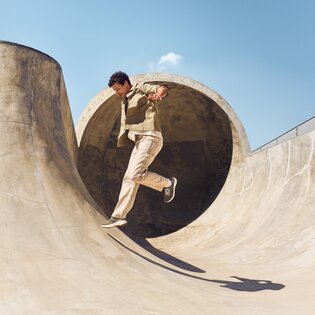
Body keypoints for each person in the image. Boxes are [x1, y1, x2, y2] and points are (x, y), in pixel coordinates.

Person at [101, 71, 177, 228]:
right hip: (139, 141)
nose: (117, 93)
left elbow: (162, 88)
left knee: (135, 174)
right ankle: (118, 216)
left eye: (117, 89)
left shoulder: (140, 88)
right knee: (129, 177)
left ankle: (168, 183)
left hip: (150, 136)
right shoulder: (125, 100)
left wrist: (159, 95)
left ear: (126, 84)